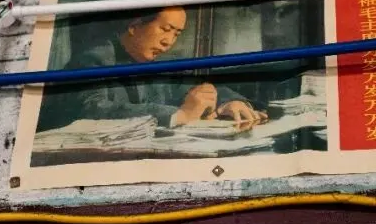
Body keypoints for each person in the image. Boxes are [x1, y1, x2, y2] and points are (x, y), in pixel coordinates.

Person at [38, 7, 268, 132]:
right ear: (134, 26)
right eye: (165, 29)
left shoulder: (157, 61)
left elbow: (193, 88)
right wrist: (180, 115)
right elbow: (91, 109)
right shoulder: (94, 58)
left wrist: (228, 102)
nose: (169, 42)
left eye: (176, 34)